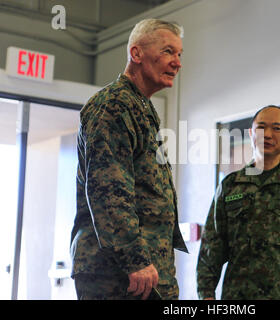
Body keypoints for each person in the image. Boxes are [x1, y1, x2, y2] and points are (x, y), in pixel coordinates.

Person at [70, 19, 188, 300]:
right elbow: (108, 191)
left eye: (180, 54)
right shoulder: (114, 106)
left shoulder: (141, 107)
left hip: (144, 271)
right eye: (168, 51)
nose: (177, 63)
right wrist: (134, 259)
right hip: (117, 274)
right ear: (136, 54)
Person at [196, 105, 280, 300]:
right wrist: (206, 294)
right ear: (251, 133)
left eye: (277, 128)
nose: (267, 134)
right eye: (261, 127)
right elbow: (212, 246)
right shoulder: (230, 185)